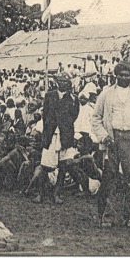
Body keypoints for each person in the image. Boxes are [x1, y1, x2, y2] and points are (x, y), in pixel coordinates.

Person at [92, 60, 130, 227]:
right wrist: (104, 136)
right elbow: (96, 118)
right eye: (121, 75)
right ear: (115, 75)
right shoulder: (106, 94)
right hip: (112, 139)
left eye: (127, 75)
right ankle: (108, 216)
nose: (124, 78)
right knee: (110, 177)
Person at [38, 73, 80, 204]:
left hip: (65, 136)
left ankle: (57, 194)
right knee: (45, 166)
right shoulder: (49, 96)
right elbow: (45, 115)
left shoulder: (73, 98)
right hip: (51, 135)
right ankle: (40, 194)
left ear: (69, 84)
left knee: (63, 166)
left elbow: (74, 116)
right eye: (61, 81)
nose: (63, 84)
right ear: (56, 82)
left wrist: (64, 126)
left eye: (66, 82)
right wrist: (50, 129)